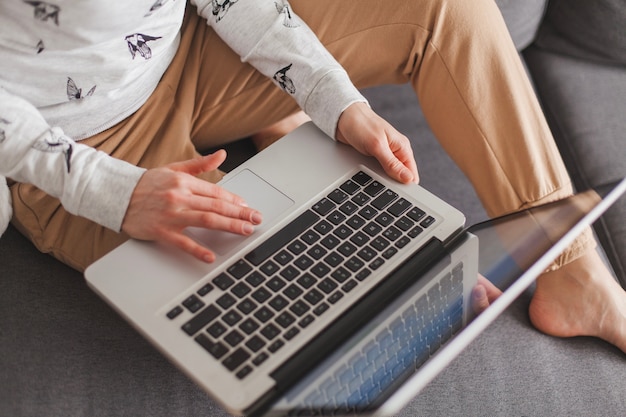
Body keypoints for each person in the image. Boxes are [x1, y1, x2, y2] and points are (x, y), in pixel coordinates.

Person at [0, 0, 624, 355]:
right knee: (259, 307)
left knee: (446, 9)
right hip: (73, 143)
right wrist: (111, 193)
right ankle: (280, 132)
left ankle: (573, 272)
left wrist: (336, 100)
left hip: (188, 52)